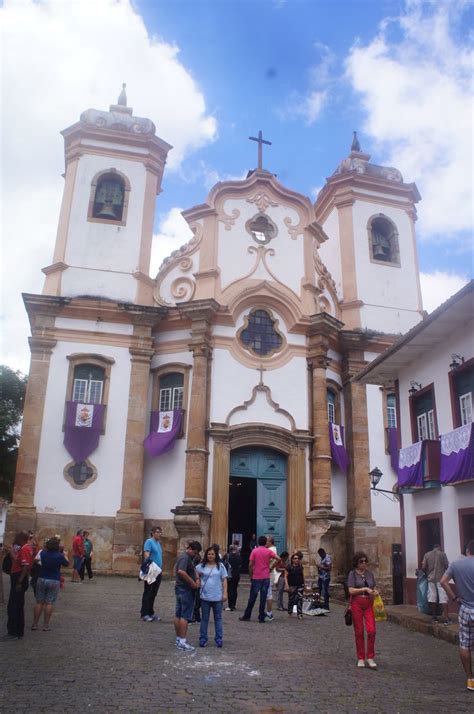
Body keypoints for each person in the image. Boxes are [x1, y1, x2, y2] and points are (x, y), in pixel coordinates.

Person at [441, 539, 474, 692]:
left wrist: (454, 597)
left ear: (467, 550)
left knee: (465, 644)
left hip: (465, 609)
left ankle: (470, 679)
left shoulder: (456, 564)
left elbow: (443, 581)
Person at [347, 551, 378, 669]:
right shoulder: (352, 574)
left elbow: (373, 586)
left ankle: (370, 657)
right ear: (356, 563)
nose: (364, 563)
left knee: (371, 630)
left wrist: (375, 591)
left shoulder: (369, 574)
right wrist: (364, 589)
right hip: (357, 603)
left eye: (365, 561)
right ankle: (361, 657)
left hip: (369, 603)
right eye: (361, 561)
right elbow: (350, 590)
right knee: (359, 631)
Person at [31, 537, 69, 631]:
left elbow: (36, 560)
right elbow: (66, 564)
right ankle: (45, 625)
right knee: (49, 603)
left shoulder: (43, 553)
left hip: (42, 578)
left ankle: (35, 624)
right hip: (54, 579)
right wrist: (66, 555)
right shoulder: (59, 556)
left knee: (39, 602)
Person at [240, 535, 280, 623]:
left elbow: (250, 565)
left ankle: (247, 615)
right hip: (266, 577)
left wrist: (251, 575)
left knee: (252, 598)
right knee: (263, 597)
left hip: (256, 577)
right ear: (265, 542)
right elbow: (278, 558)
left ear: (258, 542)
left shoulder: (255, 551)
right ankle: (261, 617)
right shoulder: (268, 551)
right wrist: (271, 567)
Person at [2, 530, 33, 641]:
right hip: (19, 576)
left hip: (18, 576)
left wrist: (19, 582)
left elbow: (25, 566)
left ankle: (13, 631)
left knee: (14, 605)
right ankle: (18, 631)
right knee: (18, 605)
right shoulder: (27, 548)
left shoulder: (24, 548)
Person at [196, 545, 228, 647]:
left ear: (216, 555)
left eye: (212, 554)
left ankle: (219, 638)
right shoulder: (201, 566)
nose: (210, 556)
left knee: (218, 618)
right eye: (209, 554)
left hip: (217, 596)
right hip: (205, 596)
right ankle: (203, 638)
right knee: (204, 618)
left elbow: (224, 580)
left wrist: (225, 593)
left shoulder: (220, 566)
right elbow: (194, 572)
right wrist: (198, 580)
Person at [174, 540, 201, 651]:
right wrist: (193, 583)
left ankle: (178, 638)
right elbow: (181, 571)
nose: (195, 555)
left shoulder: (185, 557)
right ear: (190, 549)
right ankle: (182, 641)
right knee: (185, 616)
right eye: (194, 552)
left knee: (178, 615)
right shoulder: (185, 558)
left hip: (180, 588)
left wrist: (196, 577)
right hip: (185, 589)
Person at [422, 543, 449, 624]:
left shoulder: (427, 554)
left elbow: (423, 567)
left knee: (432, 597)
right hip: (441, 578)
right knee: (443, 597)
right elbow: (447, 566)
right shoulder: (442, 554)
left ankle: (434, 617)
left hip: (431, 579)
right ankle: (446, 618)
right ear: (439, 547)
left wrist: (427, 574)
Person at [140, 526, 163, 622]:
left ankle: (151, 612)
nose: (159, 534)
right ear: (152, 533)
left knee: (153, 593)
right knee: (148, 592)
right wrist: (147, 562)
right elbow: (146, 553)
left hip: (158, 571)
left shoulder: (158, 543)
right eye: (158, 532)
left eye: (160, 532)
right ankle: (144, 613)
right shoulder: (149, 542)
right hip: (152, 570)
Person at [285, 552, 305, 619]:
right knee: (291, 599)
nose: (297, 560)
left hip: (300, 585)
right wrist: (287, 585)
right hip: (292, 585)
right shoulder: (289, 567)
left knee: (300, 599)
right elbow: (285, 576)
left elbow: (303, 575)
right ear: (292, 559)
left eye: (298, 558)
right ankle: (290, 611)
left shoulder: (300, 567)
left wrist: (304, 584)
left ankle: (300, 613)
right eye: (295, 558)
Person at [265, 534, 278, 620]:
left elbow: (274, 560)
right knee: (267, 594)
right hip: (268, 574)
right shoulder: (272, 549)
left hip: (268, 574)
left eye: (266, 541)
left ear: (270, 541)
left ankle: (269, 613)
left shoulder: (271, 550)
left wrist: (270, 568)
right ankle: (268, 612)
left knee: (268, 594)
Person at [225, 544, 242, 612]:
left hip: (230, 574)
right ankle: (234, 605)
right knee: (235, 590)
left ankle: (230, 606)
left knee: (230, 590)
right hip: (237, 574)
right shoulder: (239, 556)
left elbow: (226, 564)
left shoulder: (228, 556)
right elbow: (240, 565)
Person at [317, 547, 332, 613]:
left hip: (326, 577)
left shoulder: (327, 558)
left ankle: (326, 605)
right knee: (320, 590)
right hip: (321, 576)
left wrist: (320, 567)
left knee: (325, 591)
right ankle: (320, 604)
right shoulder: (322, 558)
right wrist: (318, 568)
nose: (320, 556)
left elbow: (328, 568)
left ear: (322, 553)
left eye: (320, 554)